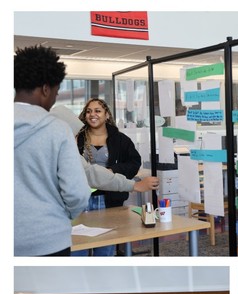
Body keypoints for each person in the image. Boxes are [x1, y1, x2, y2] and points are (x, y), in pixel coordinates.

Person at [14, 45, 91, 256]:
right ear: (46, 89)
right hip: (49, 240)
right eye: (56, 93)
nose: (55, 100)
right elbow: (78, 193)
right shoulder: (56, 129)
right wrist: (60, 215)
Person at [75, 98, 143, 256]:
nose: (93, 114)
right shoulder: (77, 138)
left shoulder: (120, 139)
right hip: (80, 198)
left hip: (109, 199)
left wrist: (113, 170)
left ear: (106, 115)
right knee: (78, 245)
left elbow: (134, 163)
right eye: (89, 111)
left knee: (105, 247)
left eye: (98, 111)